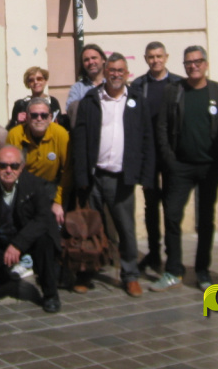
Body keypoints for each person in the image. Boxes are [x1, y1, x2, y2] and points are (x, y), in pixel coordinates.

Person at [151, 45, 218, 292]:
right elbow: (162, 126)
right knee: (172, 215)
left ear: (205, 64)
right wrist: (169, 159)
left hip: (210, 167)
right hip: (180, 166)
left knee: (206, 220)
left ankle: (202, 271)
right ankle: (173, 270)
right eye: (188, 62)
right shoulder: (174, 90)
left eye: (197, 61)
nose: (193, 66)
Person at [70, 53, 154, 297]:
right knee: (89, 227)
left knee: (126, 229)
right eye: (112, 70)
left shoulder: (137, 100)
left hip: (122, 178)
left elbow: (146, 139)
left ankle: (130, 276)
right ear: (105, 72)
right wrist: (81, 176)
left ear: (127, 73)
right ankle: (86, 272)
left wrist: (146, 176)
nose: (116, 74)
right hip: (94, 176)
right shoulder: (90, 100)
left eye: (120, 70)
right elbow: (80, 140)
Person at [0, 145, 62, 313]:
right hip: (0, 240)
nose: (8, 170)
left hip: (28, 238)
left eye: (14, 166)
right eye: (3, 165)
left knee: (45, 241)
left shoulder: (35, 185)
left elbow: (42, 219)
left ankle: (50, 294)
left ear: (22, 167)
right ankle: (2, 276)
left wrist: (18, 244)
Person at [129, 42, 182, 274]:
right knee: (151, 206)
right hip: (148, 155)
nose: (155, 60)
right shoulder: (139, 85)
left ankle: (172, 256)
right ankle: (153, 253)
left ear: (166, 57)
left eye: (159, 56)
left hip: (171, 153)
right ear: (145, 59)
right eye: (151, 57)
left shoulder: (179, 84)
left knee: (171, 206)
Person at [6, 98, 71, 227]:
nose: (39, 119)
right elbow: (9, 170)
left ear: (50, 117)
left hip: (51, 189)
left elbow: (68, 171)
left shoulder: (61, 134)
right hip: (23, 189)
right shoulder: (15, 135)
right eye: (34, 115)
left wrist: (58, 202)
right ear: (27, 117)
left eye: (44, 115)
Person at [65, 44, 107, 119]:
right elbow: (71, 110)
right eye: (86, 60)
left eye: (94, 58)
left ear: (103, 60)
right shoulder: (77, 88)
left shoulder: (111, 84)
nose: (91, 62)